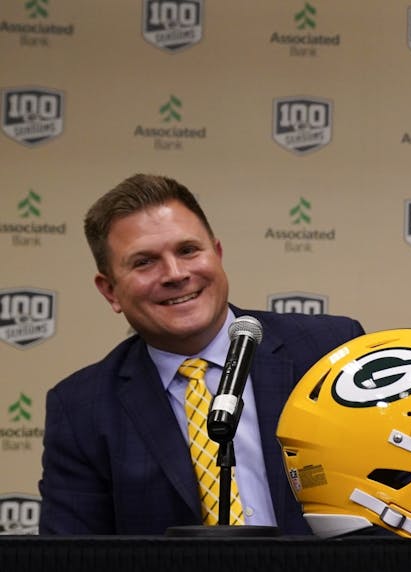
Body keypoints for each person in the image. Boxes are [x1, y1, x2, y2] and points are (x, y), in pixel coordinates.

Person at [39, 174, 365, 535]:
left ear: (218, 255)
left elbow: (400, 503)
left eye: (188, 250)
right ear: (110, 291)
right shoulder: (81, 409)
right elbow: (70, 555)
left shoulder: (328, 350)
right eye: (145, 262)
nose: (176, 274)